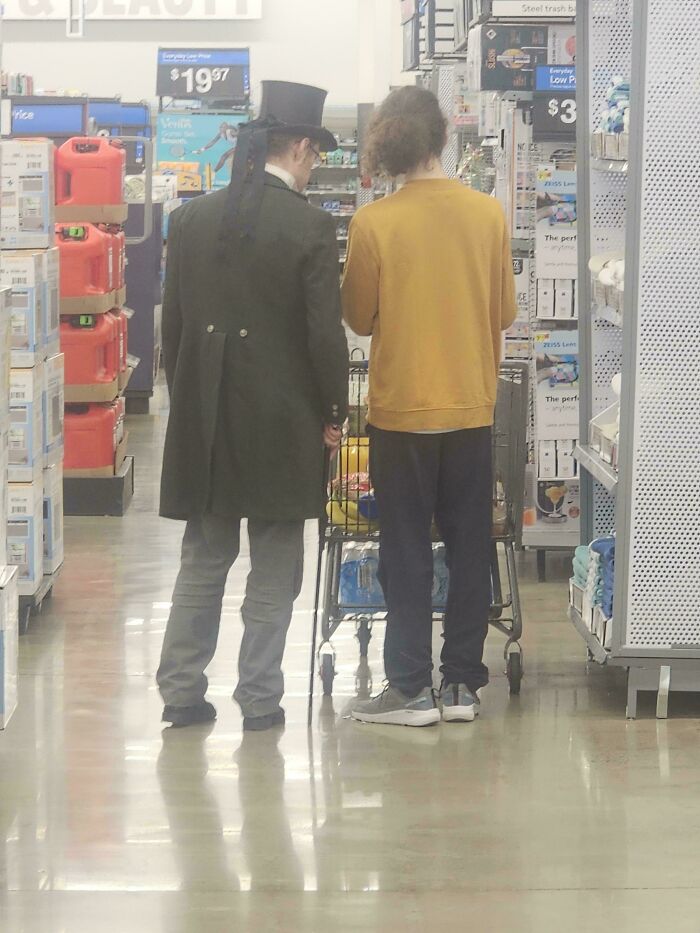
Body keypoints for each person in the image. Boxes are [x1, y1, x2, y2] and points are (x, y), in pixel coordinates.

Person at [157, 81, 349, 731]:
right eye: (315, 154)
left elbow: (173, 329)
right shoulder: (310, 226)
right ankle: (260, 697)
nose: (314, 165)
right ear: (298, 147)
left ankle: (181, 691)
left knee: (203, 557)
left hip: (205, 413)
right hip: (281, 417)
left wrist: (185, 398)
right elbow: (325, 335)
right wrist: (334, 409)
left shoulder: (190, 220)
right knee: (274, 562)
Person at [342, 86, 517, 728]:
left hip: (402, 410)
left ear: (390, 142)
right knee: (472, 543)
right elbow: (503, 312)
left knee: (407, 547)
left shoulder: (374, 223)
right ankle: (466, 684)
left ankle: (410, 686)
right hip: (471, 404)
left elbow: (358, 317)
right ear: (444, 137)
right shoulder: (488, 214)